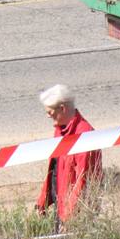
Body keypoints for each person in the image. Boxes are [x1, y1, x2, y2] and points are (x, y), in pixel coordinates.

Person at [35, 84, 102, 229]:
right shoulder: (60, 130)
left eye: (50, 112)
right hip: (61, 206)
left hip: (77, 214)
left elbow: (82, 181)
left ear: (62, 108)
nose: (48, 116)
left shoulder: (85, 137)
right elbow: (53, 169)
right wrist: (43, 202)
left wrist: (68, 218)